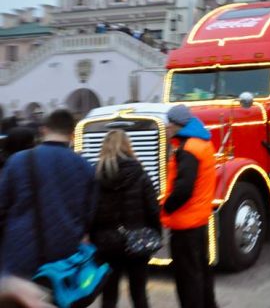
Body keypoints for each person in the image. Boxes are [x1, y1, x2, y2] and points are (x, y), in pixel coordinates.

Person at [0, 109, 96, 278]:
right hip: (65, 259)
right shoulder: (84, 167)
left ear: (43, 129)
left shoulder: (18, 161)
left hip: (20, 255)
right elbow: (90, 215)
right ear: (72, 134)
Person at [90, 130, 160, 308]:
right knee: (139, 294)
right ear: (127, 146)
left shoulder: (96, 176)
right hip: (138, 240)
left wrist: (93, 238)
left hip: (107, 242)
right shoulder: (140, 173)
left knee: (108, 295)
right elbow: (153, 209)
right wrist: (156, 233)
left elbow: (91, 212)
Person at [162, 104, 217, 308]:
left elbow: (183, 188)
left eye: (169, 123)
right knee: (201, 272)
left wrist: (166, 207)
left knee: (187, 279)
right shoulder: (201, 143)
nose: (167, 127)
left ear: (177, 125)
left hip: (185, 223)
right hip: (198, 219)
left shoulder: (188, 149)